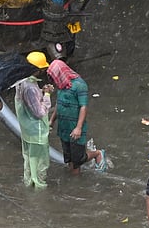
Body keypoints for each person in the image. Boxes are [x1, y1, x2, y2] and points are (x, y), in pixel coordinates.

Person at [46, 59, 103, 174]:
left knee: (78, 159)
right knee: (69, 158)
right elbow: (59, 103)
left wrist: (78, 127)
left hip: (74, 127)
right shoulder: (62, 85)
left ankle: (97, 153)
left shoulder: (80, 85)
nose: (54, 81)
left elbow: (83, 107)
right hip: (63, 128)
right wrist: (51, 120)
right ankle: (74, 180)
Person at [16, 52, 53, 188]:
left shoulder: (21, 82)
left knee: (29, 159)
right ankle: (38, 188)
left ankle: (28, 184)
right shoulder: (30, 87)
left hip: (27, 130)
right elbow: (40, 112)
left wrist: (42, 93)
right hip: (36, 132)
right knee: (40, 163)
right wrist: (47, 95)